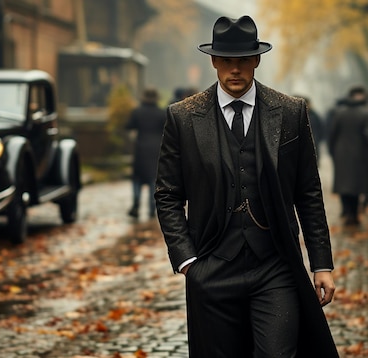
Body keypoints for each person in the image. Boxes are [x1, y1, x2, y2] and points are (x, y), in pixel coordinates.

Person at [154, 15, 338, 357]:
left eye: (242, 61)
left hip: (275, 266)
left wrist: (321, 264)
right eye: (226, 61)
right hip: (212, 266)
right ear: (213, 61)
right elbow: (167, 195)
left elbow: (308, 192)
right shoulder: (183, 117)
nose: (234, 70)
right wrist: (188, 263)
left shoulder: (289, 111)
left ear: (256, 59)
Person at [328, 85, 368, 226]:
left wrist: (333, 152)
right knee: (355, 185)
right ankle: (353, 214)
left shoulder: (339, 113)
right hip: (359, 154)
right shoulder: (367, 114)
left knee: (344, 184)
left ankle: (347, 211)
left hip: (341, 153)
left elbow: (332, 134)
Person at [126, 87, 166, 219]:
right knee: (152, 179)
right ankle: (151, 208)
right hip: (156, 149)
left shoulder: (137, 112)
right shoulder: (162, 113)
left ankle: (136, 206)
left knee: (137, 179)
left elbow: (129, 126)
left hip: (140, 147)